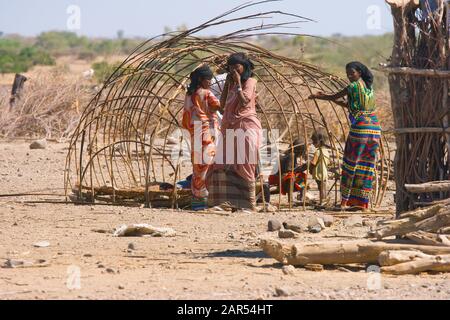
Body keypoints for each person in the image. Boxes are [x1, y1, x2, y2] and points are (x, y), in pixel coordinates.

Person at [309, 61, 381, 211]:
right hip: (374, 128)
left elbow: (335, 95)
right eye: (348, 74)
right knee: (367, 165)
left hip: (361, 128)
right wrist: (333, 99)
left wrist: (320, 96)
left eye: (352, 73)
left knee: (350, 163)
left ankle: (344, 202)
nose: (349, 76)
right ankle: (362, 203)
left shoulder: (353, 87)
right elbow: (349, 105)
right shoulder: (368, 87)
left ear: (359, 73)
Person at [207, 53, 262, 211]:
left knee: (244, 163)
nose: (233, 70)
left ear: (244, 67)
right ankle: (225, 201)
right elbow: (222, 105)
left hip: (246, 126)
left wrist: (238, 82)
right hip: (230, 127)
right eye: (230, 67)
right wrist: (227, 85)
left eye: (236, 66)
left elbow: (244, 101)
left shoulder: (250, 81)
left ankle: (247, 204)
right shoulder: (230, 84)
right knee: (224, 162)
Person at [182, 65, 221, 210]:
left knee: (198, 164)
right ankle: (204, 198)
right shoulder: (206, 93)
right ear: (201, 80)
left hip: (194, 131)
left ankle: (196, 199)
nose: (210, 82)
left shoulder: (189, 94)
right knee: (207, 164)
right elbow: (218, 105)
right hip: (205, 132)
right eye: (208, 79)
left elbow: (186, 117)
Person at [268, 139, 307, 204]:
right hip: (280, 175)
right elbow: (288, 169)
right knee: (291, 177)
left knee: (302, 177)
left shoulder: (292, 154)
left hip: (284, 174)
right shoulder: (291, 154)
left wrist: (300, 169)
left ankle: (301, 197)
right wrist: (300, 168)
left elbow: (292, 167)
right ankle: (290, 199)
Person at [309, 130, 330, 205]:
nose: (313, 144)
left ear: (320, 141)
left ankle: (322, 201)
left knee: (321, 188)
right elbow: (328, 162)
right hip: (324, 172)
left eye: (314, 142)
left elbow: (313, 162)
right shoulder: (326, 151)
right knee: (323, 188)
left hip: (319, 173)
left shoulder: (318, 152)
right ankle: (323, 200)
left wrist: (310, 169)